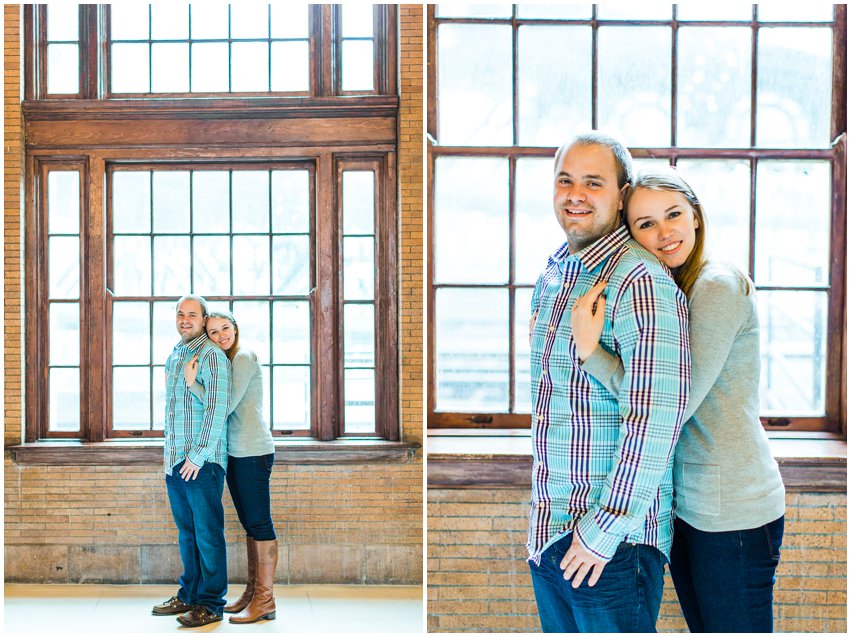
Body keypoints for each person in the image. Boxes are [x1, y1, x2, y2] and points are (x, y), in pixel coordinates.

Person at [570, 167, 785, 632]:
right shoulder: (673, 287)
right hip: (691, 506)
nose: (665, 232)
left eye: (673, 215)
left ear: (696, 217)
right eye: (646, 224)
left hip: (734, 511)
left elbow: (672, 404)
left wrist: (591, 352)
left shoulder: (716, 285)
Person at [526, 131, 691, 633]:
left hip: (611, 545)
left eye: (593, 182)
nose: (575, 193)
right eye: (565, 180)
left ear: (622, 194)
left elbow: (655, 418)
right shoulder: (557, 271)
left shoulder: (639, 280)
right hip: (552, 532)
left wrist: (601, 532)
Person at [183, 310, 278, 624]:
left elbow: (224, 406)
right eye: (213, 332)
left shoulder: (244, 358)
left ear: (235, 329)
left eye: (225, 328)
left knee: (259, 523)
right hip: (237, 453)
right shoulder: (228, 360)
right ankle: (253, 594)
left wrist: (192, 384)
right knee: (250, 525)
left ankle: (265, 600)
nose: (221, 335)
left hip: (253, 451)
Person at [151, 294, 231, 628]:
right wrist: (171, 460)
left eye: (192, 315)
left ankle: (211, 603)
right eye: (180, 314)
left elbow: (217, 409)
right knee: (188, 533)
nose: (185, 319)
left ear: (203, 318)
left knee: (208, 535)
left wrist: (197, 457)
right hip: (176, 462)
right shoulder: (175, 353)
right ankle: (189, 595)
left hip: (202, 462)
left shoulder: (211, 355)